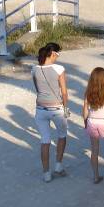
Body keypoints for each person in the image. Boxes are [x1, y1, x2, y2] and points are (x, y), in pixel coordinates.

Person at [32, 43, 68, 183]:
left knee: (45, 140)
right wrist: (66, 108)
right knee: (62, 135)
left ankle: (46, 173)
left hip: (41, 109)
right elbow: (64, 92)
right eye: (58, 54)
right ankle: (58, 165)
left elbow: (37, 89)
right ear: (53, 54)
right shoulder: (59, 69)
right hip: (57, 108)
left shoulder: (34, 69)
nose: (58, 57)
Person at [82, 67, 104, 183]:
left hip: (92, 122)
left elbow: (85, 110)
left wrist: (85, 122)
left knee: (94, 150)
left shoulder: (87, 93)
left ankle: (96, 176)